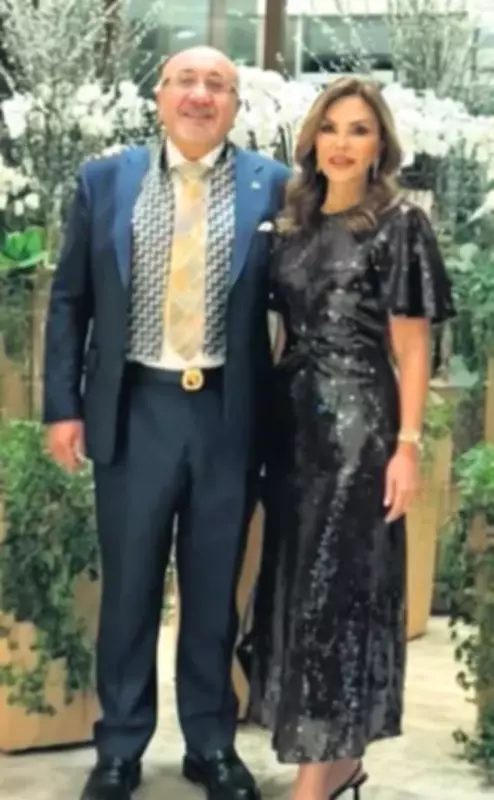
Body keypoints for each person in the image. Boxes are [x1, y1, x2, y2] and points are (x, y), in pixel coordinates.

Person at [43, 46, 289, 800]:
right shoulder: (105, 180)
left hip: (227, 412)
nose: (200, 95)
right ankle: (120, 746)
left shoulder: (275, 186)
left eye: (218, 84)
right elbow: (70, 301)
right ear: (160, 95)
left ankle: (211, 744)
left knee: (213, 590)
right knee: (130, 591)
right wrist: (63, 407)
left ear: (235, 105)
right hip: (134, 408)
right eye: (186, 80)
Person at [246, 77, 455, 800]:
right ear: (312, 140)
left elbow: (413, 346)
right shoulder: (293, 221)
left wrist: (408, 446)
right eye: (331, 127)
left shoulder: (398, 223)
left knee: (335, 596)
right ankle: (340, 765)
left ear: (380, 145)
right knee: (297, 588)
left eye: (359, 129)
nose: (342, 142)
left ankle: (313, 782)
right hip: (292, 429)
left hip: (359, 428)